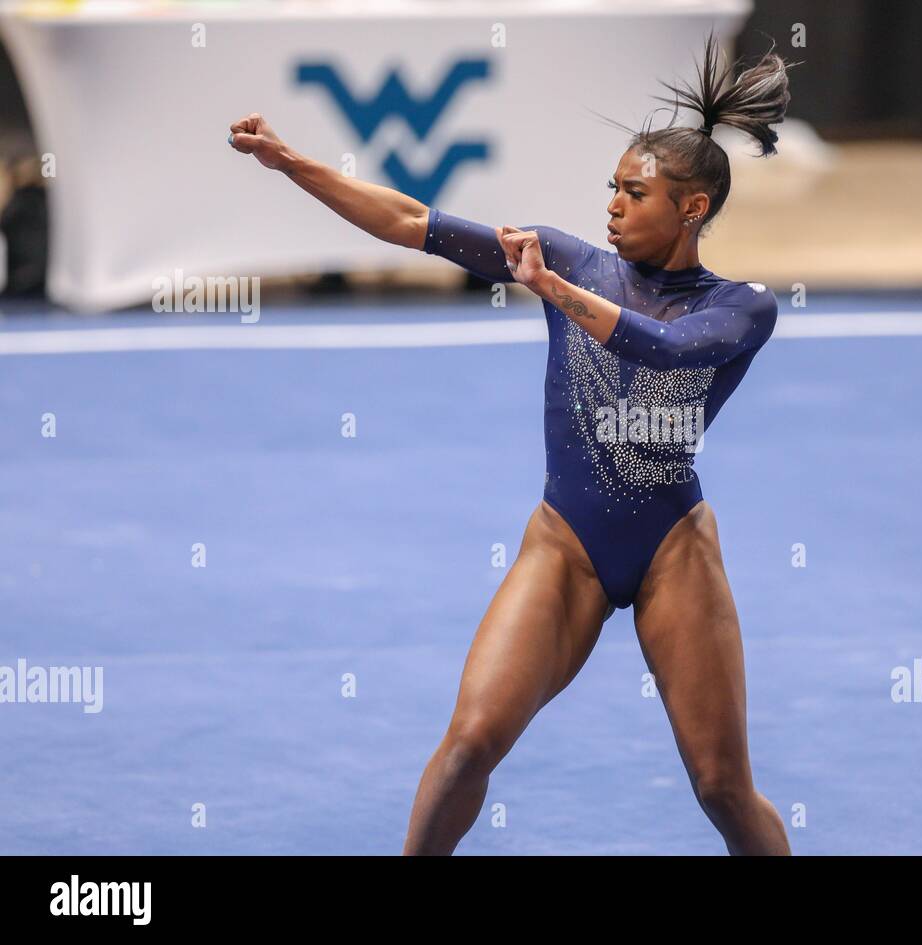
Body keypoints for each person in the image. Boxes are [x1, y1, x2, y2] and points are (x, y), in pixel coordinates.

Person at [229, 30, 795, 855]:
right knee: (468, 745)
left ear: (692, 209)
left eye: (634, 194)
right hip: (566, 542)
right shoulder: (568, 259)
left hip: (674, 546)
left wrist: (552, 289)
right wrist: (292, 163)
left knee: (722, 786)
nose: (611, 205)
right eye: (612, 187)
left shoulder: (741, 308)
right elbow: (410, 220)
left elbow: (662, 348)